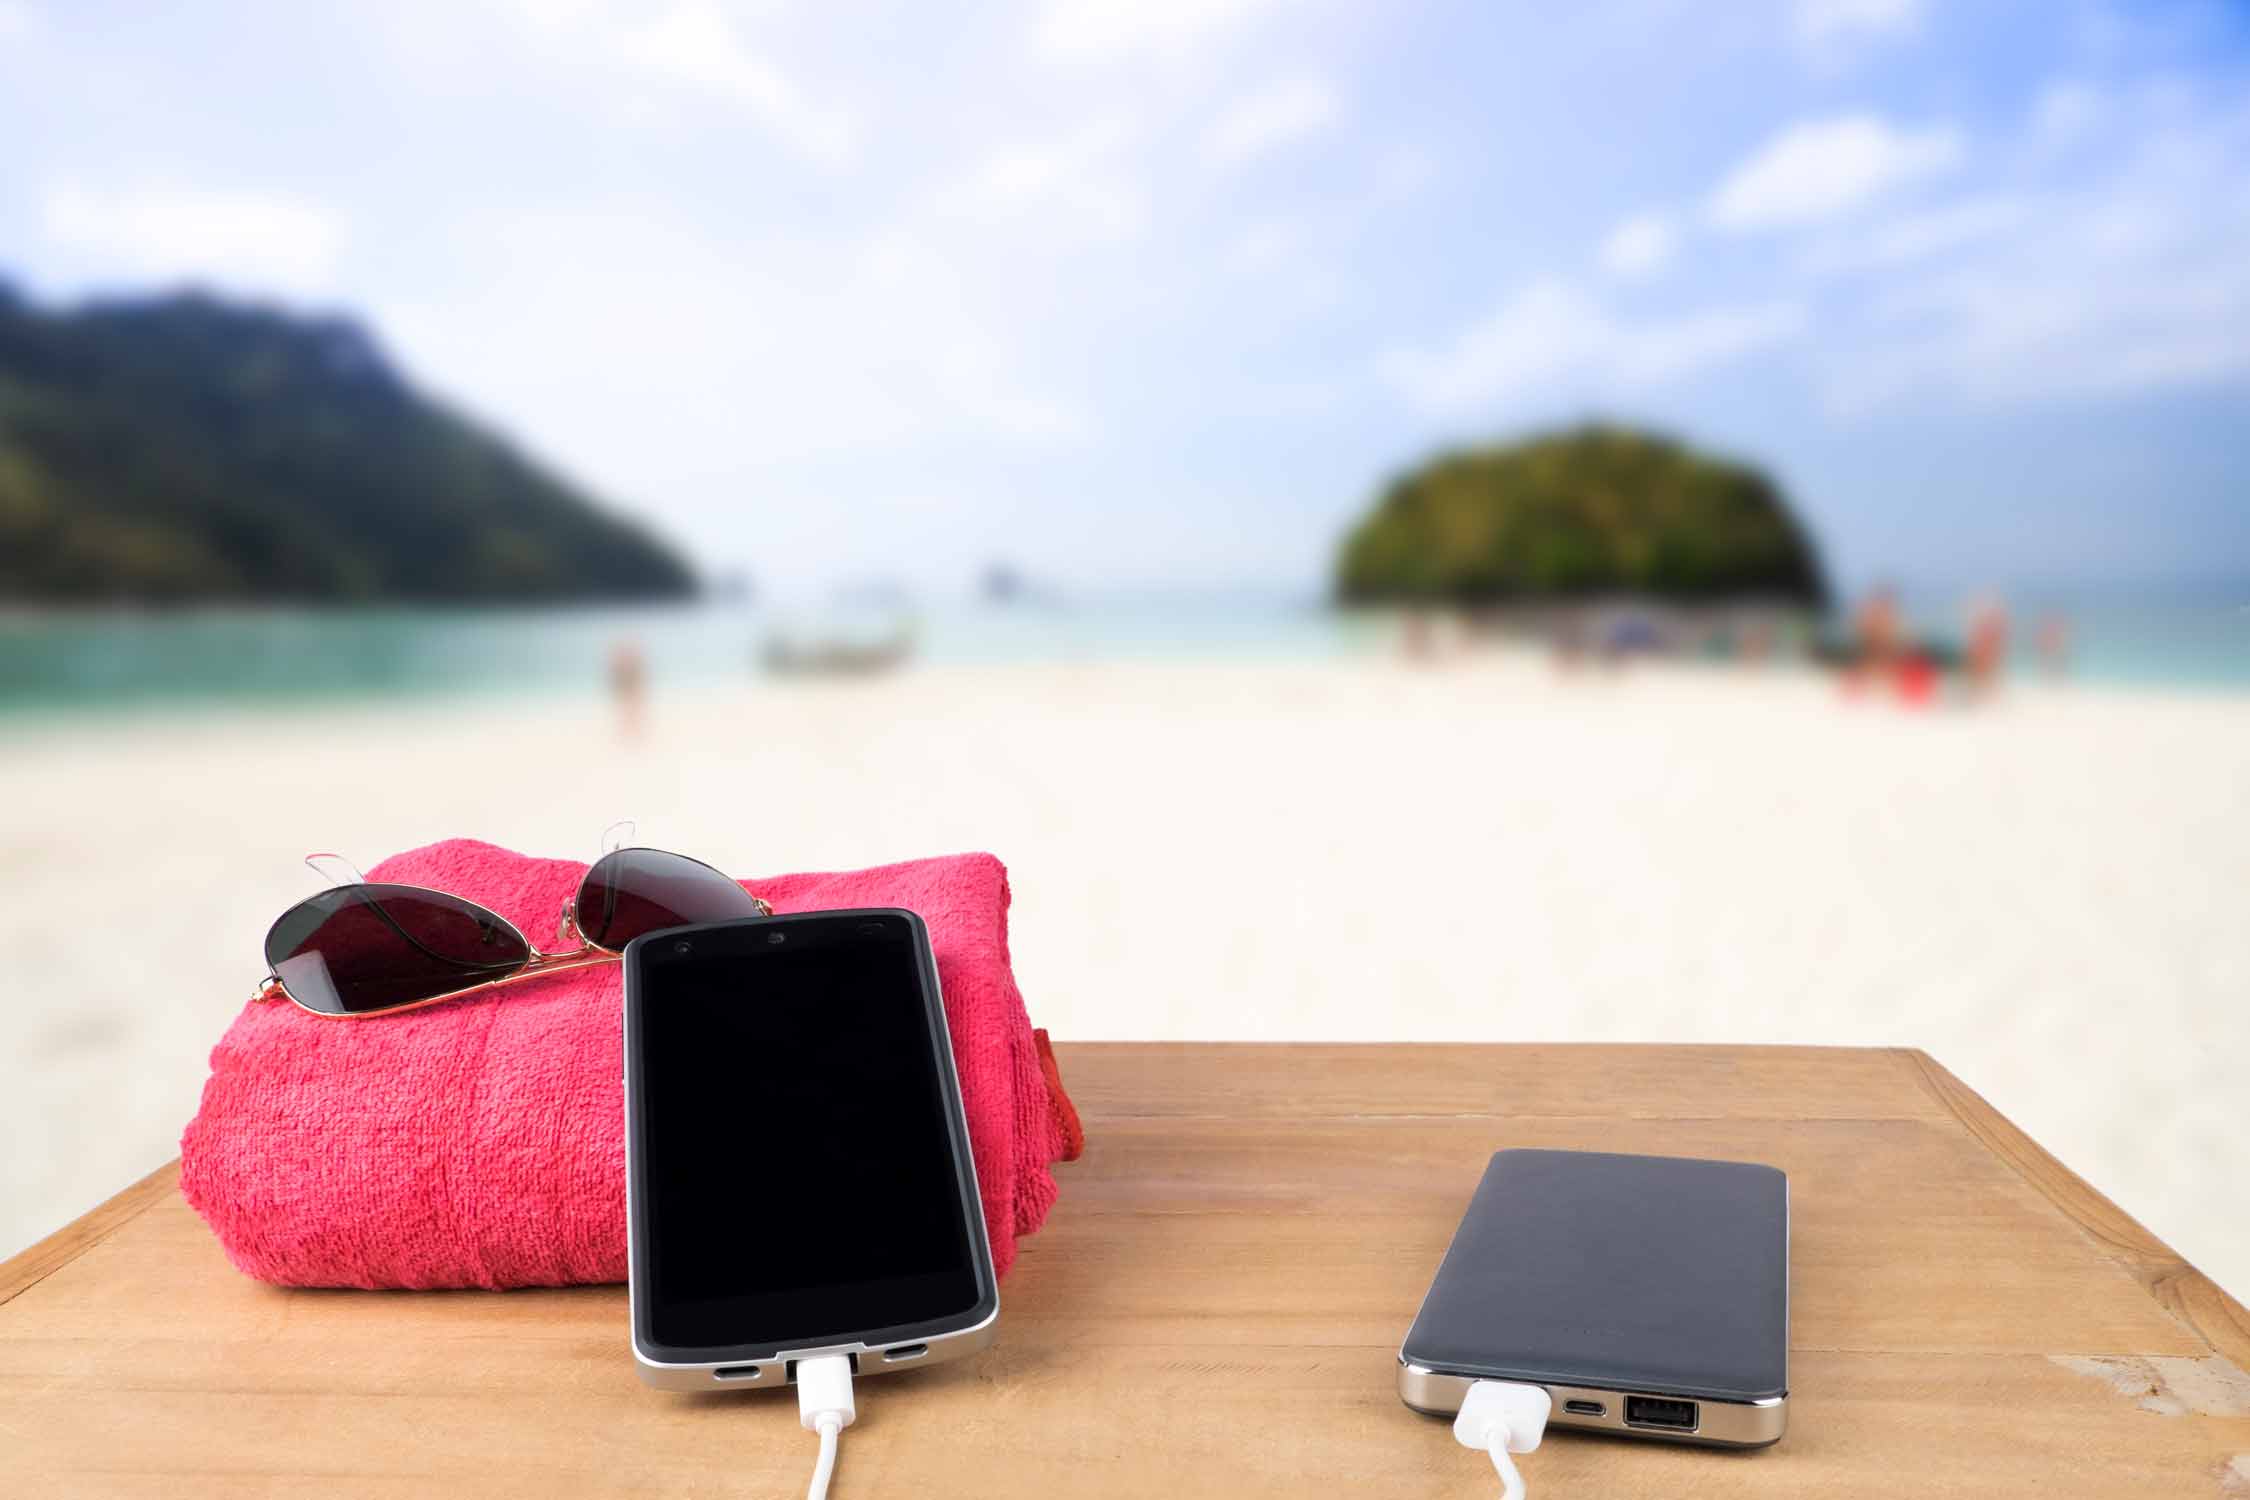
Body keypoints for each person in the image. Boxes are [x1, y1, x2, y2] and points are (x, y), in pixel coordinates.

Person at [608, 638, 647, 740]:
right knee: (628, 712)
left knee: (631, 711)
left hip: (630, 691)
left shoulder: (630, 666)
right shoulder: (621, 666)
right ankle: (629, 733)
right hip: (627, 692)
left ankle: (632, 733)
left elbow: (638, 680)